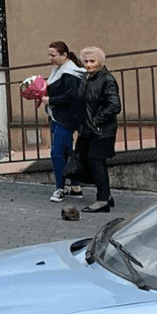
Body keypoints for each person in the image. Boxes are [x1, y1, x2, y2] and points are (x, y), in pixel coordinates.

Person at [76, 46, 121, 212]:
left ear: (100, 62)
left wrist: (96, 121)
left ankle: (102, 199)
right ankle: (105, 195)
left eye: (92, 61)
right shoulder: (87, 78)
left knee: (97, 162)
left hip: (102, 130)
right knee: (93, 162)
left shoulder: (107, 79)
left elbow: (115, 105)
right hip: (90, 129)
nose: (89, 64)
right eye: (86, 61)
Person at [41, 41, 85, 202]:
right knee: (67, 151)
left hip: (65, 119)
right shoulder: (64, 70)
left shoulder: (69, 73)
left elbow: (70, 96)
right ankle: (75, 186)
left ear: (64, 55)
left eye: (53, 55)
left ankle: (60, 188)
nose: (50, 58)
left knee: (57, 153)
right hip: (60, 117)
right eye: (49, 54)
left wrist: (50, 100)